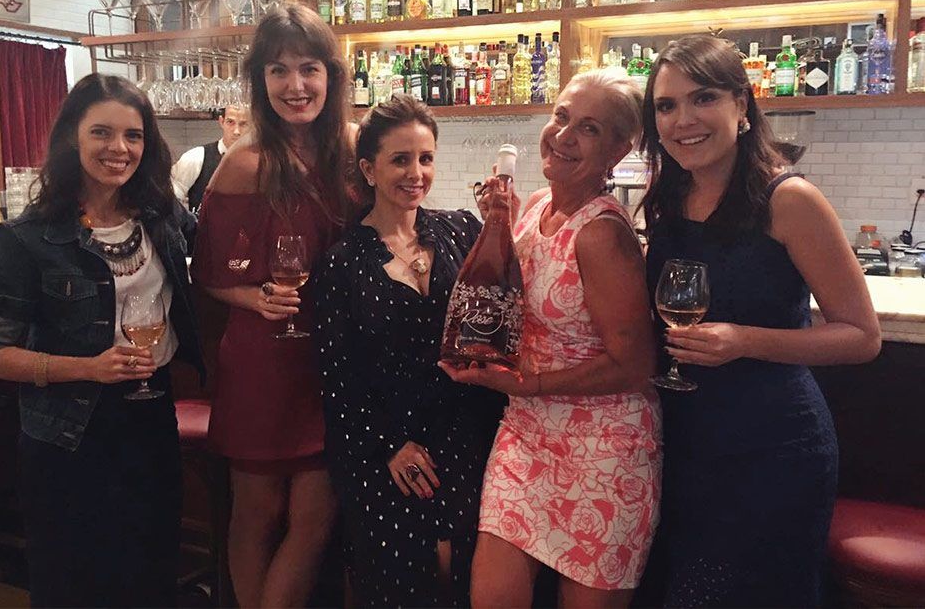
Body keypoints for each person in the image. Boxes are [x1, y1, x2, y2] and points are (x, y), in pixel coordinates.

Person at [639, 35, 880, 606]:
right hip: (687, 442)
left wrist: (743, 341)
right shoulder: (668, 197)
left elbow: (862, 336)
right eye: (666, 106)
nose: (683, 119)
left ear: (741, 105)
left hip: (771, 448)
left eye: (703, 98)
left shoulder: (788, 199)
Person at [0, 73, 203, 607]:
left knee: (151, 571)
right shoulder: (26, 238)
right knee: (75, 581)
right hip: (69, 431)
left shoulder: (163, 218)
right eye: (102, 132)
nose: (119, 148)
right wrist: (88, 368)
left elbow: (220, 257)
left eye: (133, 135)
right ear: (72, 137)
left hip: (151, 414)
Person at [441, 69, 662, 608]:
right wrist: (498, 222)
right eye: (562, 116)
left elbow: (635, 365)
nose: (563, 135)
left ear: (618, 150)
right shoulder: (539, 205)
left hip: (605, 450)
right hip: (526, 435)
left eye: (588, 128)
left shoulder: (602, 233)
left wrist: (530, 384)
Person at [190, 2, 355, 608]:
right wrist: (255, 297)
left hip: (334, 360)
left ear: (331, 75)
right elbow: (208, 274)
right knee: (257, 513)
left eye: (309, 68)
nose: (295, 85)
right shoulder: (245, 162)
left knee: (315, 517)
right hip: (263, 359)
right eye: (278, 70)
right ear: (260, 80)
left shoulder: (353, 150)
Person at [314, 95, 505, 608]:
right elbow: (337, 376)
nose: (415, 173)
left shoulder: (461, 229)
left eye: (425, 158)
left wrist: (500, 225)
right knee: (403, 585)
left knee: (465, 577)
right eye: (400, 159)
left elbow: (499, 306)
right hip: (386, 445)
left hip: (466, 432)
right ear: (368, 169)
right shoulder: (341, 262)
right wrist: (389, 445)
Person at [171, 104, 251, 212]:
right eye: (230, 122)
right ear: (221, 122)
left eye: (243, 124)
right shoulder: (196, 158)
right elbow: (171, 197)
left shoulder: (258, 163)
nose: (236, 131)